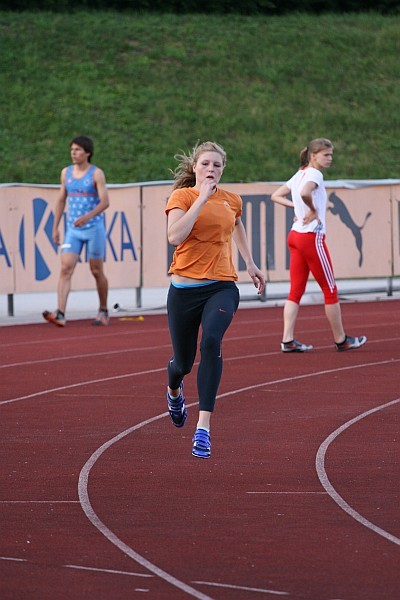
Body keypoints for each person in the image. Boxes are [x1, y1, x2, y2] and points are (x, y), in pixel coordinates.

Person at [165, 141, 265, 459]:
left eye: (217, 165)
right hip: (183, 290)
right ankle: (173, 388)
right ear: (195, 167)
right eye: (206, 164)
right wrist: (202, 199)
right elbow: (174, 236)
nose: (212, 170)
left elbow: (236, 223)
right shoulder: (182, 197)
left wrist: (250, 262)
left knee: (211, 342)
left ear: (223, 169)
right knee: (182, 362)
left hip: (221, 286)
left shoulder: (231, 200)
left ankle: (203, 428)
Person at [271, 138, 367, 353]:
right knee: (330, 290)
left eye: (331, 154)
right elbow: (305, 193)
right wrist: (311, 210)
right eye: (326, 155)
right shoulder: (314, 174)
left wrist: (296, 209)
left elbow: (275, 196)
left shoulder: (300, 173)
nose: (330, 158)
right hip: (311, 237)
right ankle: (341, 340)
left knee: (296, 290)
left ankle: (287, 340)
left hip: (295, 236)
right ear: (313, 155)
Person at [43, 135, 110, 327]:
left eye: (78, 149)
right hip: (73, 230)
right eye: (72, 149)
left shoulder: (96, 174)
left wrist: (87, 216)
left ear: (87, 153)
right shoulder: (66, 173)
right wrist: (55, 227)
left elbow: (105, 202)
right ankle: (61, 313)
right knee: (65, 268)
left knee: (96, 270)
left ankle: (103, 309)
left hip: (93, 228)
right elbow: (61, 199)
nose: (74, 153)